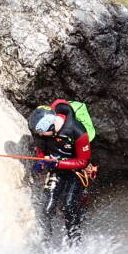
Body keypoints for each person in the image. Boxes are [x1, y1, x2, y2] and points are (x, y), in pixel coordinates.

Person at [27, 101, 94, 243]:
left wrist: (58, 162)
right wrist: (41, 161)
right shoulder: (42, 134)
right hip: (56, 169)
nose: (40, 135)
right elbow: (41, 150)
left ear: (51, 126)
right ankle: (45, 242)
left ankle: (75, 241)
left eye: (42, 132)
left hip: (77, 171)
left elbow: (83, 162)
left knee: (68, 206)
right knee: (46, 208)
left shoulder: (77, 131)